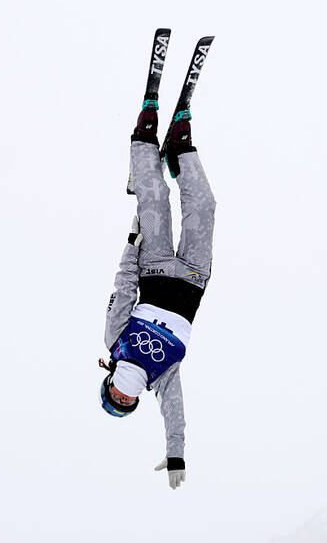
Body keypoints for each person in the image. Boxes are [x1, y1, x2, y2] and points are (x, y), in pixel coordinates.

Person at [99, 102, 216, 490]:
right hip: (194, 277)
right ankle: (181, 147)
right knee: (204, 207)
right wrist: (176, 453)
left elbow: (123, 289)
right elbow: (175, 412)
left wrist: (131, 244)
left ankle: (144, 142)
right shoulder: (161, 376)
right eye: (127, 404)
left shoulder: (115, 342)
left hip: (155, 266)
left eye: (116, 398)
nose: (124, 397)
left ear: (109, 383)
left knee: (154, 201)